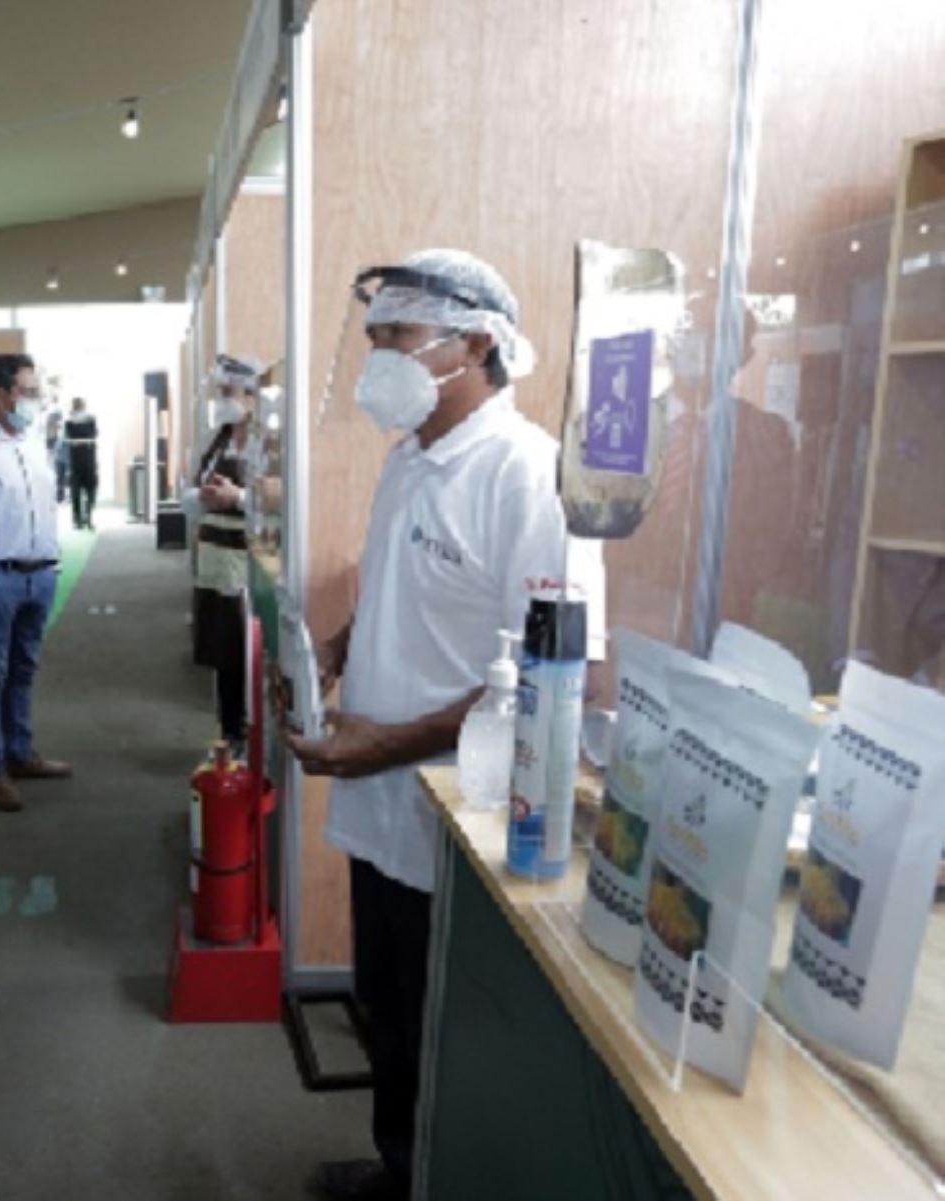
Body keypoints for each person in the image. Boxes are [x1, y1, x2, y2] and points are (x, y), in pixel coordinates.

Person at [285, 250, 604, 1201]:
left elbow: (553, 672)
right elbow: (398, 589)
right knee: (387, 1003)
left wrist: (384, 744)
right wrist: (335, 650)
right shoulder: (411, 459)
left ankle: (444, 1178)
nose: (378, 356)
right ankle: (402, 1168)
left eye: (394, 336)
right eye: (375, 336)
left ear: (473, 344)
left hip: (461, 817)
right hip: (381, 799)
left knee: (451, 1023)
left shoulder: (530, 476)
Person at [0, 353, 73, 812]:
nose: (35, 399)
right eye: (27, 391)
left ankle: (20, 752)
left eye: (35, 390)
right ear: (0, 394)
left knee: (24, 669)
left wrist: (52, 560)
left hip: (40, 574)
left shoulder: (33, 439)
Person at [192, 355, 261, 754]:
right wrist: (199, 498)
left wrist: (238, 498)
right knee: (222, 655)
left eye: (228, 392)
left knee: (243, 654)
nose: (222, 400)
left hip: (244, 561)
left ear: (251, 396)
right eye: (219, 392)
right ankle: (227, 732)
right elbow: (198, 486)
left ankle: (244, 738)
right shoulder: (219, 438)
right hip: (214, 562)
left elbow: (278, 498)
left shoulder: (268, 439)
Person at [64, 396, 99, 529]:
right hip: (87, 459)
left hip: (78, 460)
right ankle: (86, 518)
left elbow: (69, 436)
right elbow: (94, 434)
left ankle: (80, 519)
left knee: (78, 491)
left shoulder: (72, 421)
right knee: (87, 489)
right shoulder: (86, 420)